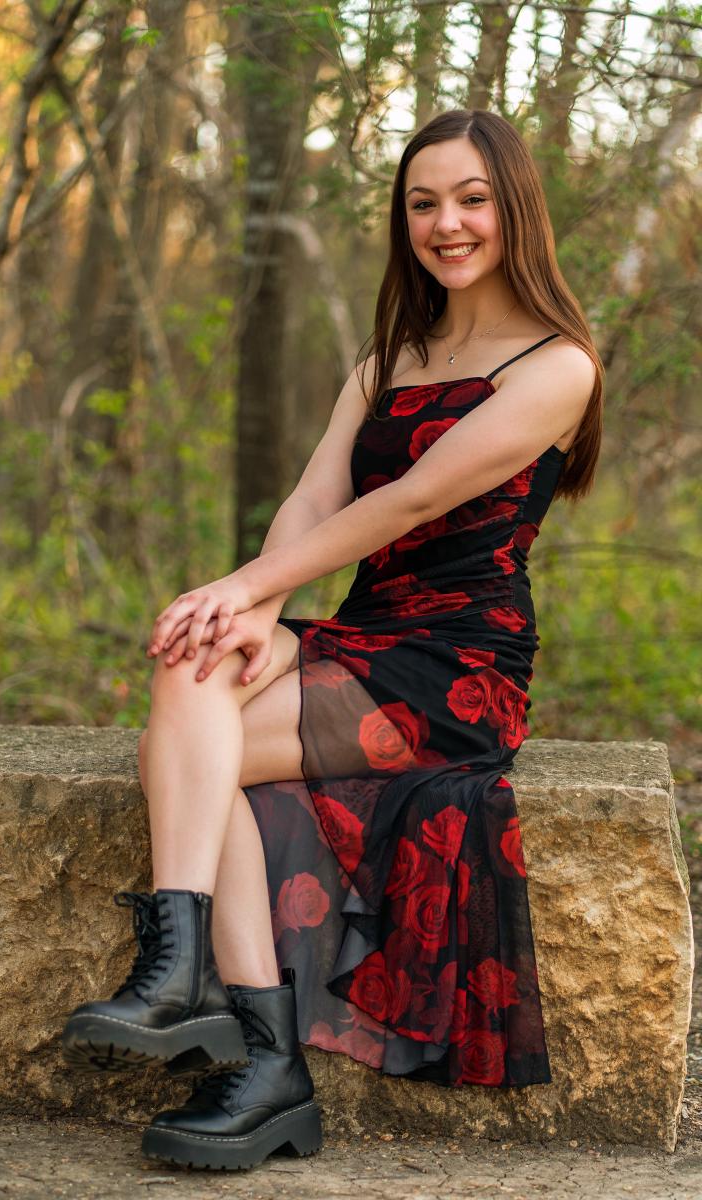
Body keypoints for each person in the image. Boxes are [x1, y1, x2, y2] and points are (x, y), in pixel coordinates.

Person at [62, 107, 601, 1171]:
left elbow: (403, 504)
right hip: (359, 635)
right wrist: (250, 616)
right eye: (422, 204)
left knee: (193, 749)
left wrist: (242, 585)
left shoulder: (557, 366)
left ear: (513, 210)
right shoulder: (390, 354)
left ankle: (248, 1050)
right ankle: (194, 996)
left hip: (454, 665)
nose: (445, 223)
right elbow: (315, 499)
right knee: (194, 675)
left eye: (470, 199)